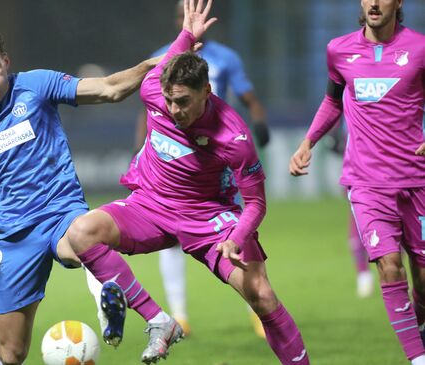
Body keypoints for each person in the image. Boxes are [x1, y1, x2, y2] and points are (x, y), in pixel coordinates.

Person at [68, 1, 310, 364]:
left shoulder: (234, 137)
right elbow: (168, 64)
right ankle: (159, 321)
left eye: (183, 102)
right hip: (148, 205)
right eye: (170, 101)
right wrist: (186, 33)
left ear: (207, 92)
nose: (174, 110)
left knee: (261, 294)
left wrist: (236, 237)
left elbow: (257, 204)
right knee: (81, 233)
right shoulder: (154, 91)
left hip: (208, 218)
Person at [0, 23, 175, 365]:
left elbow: (107, 89)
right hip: (13, 237)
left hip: (61, 211)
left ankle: (117, 305)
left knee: (82, 243)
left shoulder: (37, 85)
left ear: (5, 60)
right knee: (12, 352)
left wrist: (148, 67)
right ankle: (106, 292)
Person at [289, 0, 425, 363]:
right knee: (389, 265)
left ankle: (420, 327)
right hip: (366, 182)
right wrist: (308, 142)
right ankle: (417, 359)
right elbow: (333, 101)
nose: (374, 3)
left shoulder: (420, 48)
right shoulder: (339, 49)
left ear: (398, 2)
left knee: (423, 280)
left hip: (417, 179)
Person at [131, 0, 271, 338]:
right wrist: (141, 147)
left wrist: (259, 121)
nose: (185, 21)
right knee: (170, 238)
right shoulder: (164, 55)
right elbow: (149, 110)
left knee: (237, 233)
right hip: (175, 158)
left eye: (188, 16)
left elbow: (247, 95)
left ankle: (259, 308)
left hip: (215, 161)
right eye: (179, 17)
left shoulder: (225, 58)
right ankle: (179, 313)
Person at [325, 124, 374, 298]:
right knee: (357, 215)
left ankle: (397, 276)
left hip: (389, 162)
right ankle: (363, 275)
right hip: (358, 162)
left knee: (400, 224)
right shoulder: (349, 103)